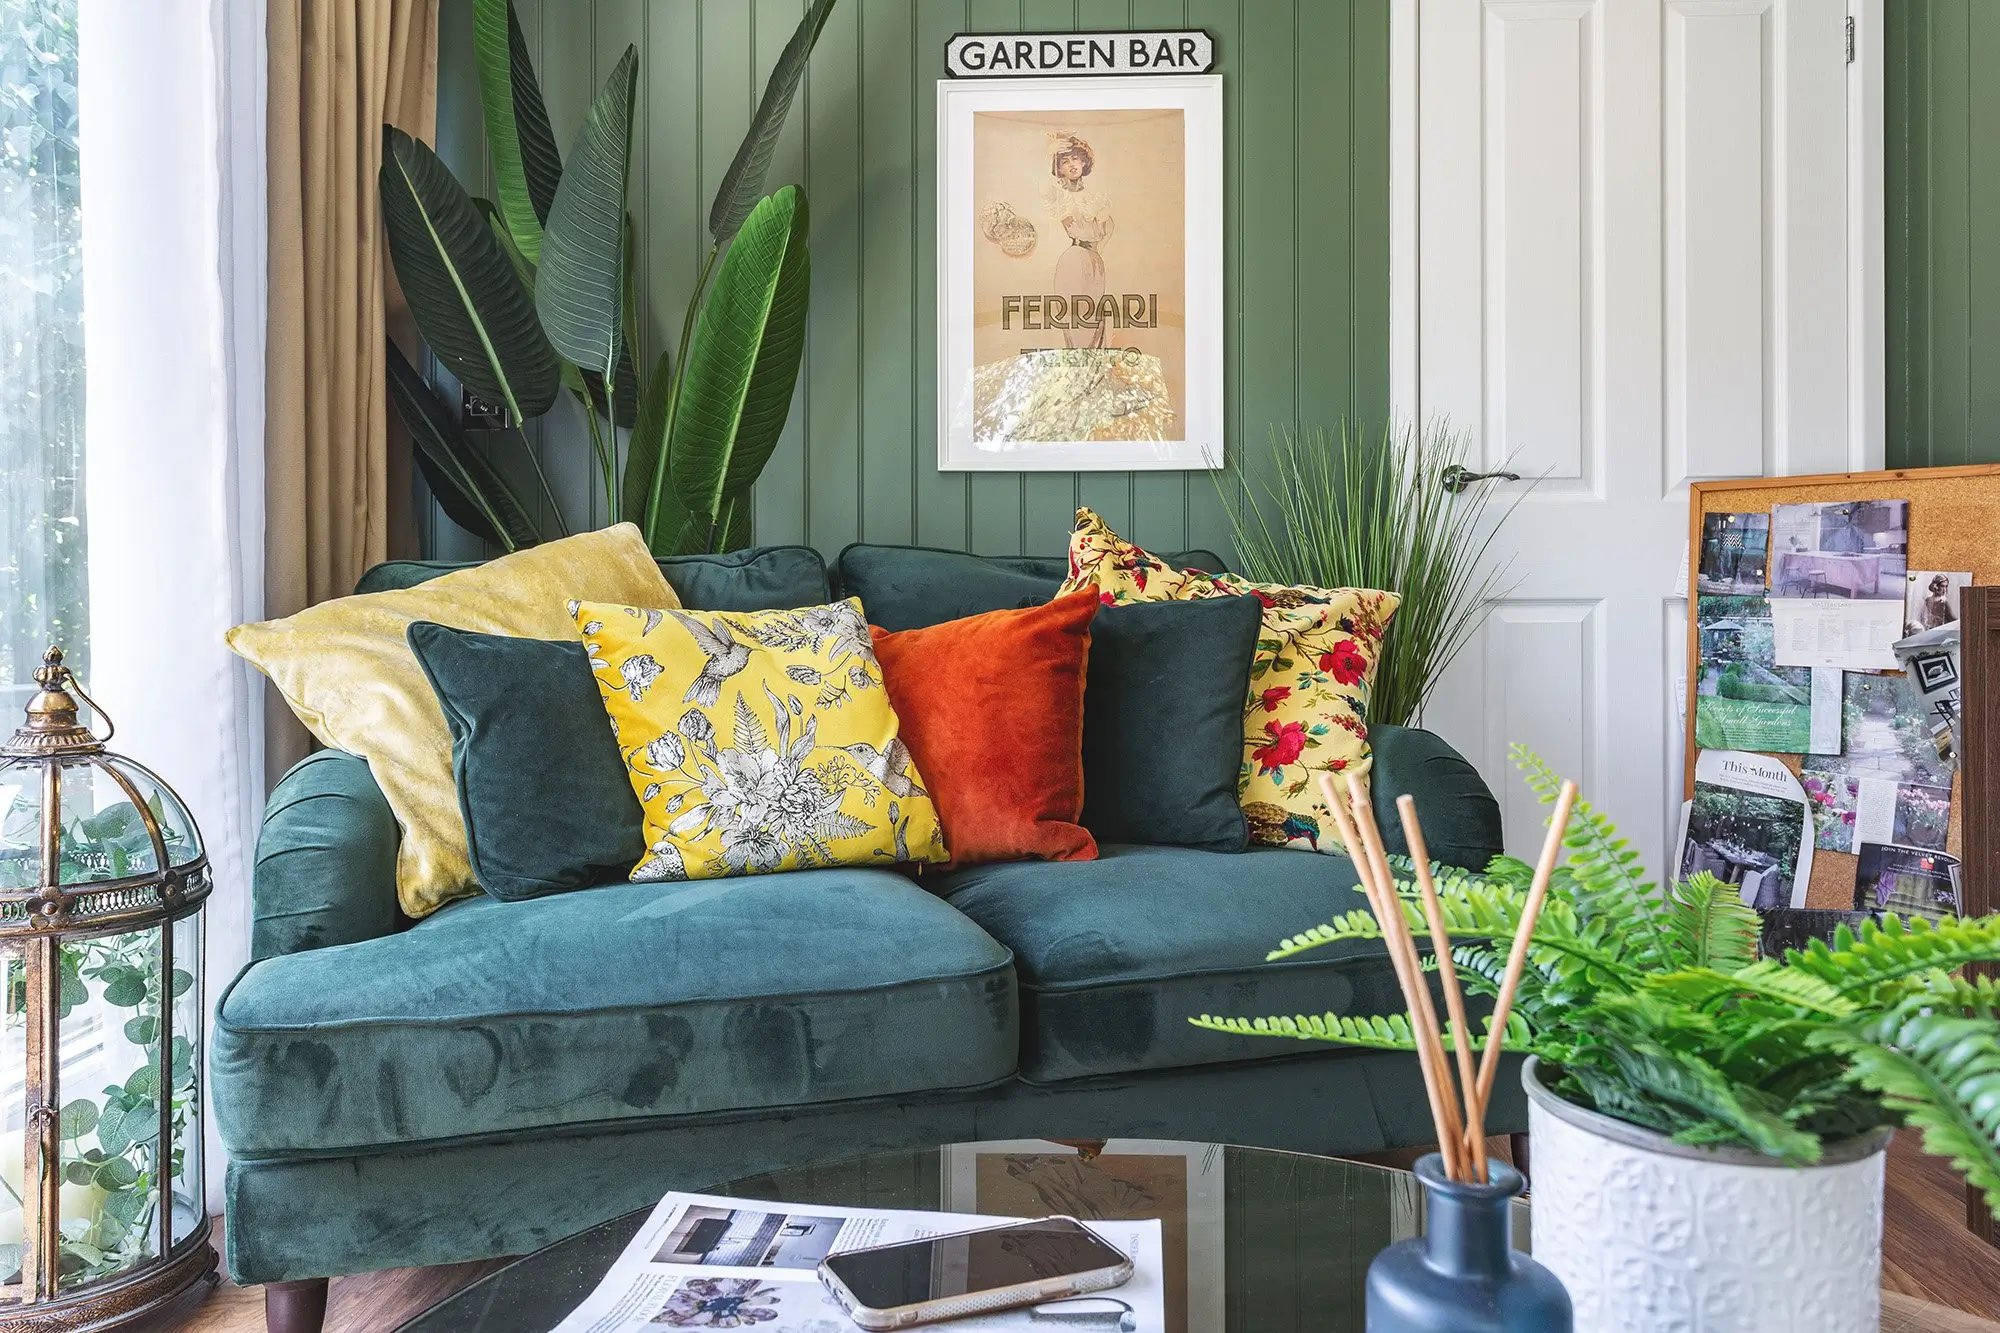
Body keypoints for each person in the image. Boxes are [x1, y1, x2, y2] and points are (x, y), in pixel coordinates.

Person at [1042, 132, 1112, 350]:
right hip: (1075, 260)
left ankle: (1091, 377)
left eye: (1075, 158)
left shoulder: (1096, 197)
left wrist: (1098, 251)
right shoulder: (1061, 196)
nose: (1071, 165)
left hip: (1095, 260)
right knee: (1076, 321)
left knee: (1095, 320)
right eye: (1064, 161)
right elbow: (1049, 194)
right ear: (1059, 168)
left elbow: (1107, 230)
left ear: (1084, 160)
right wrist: (1053, 147)